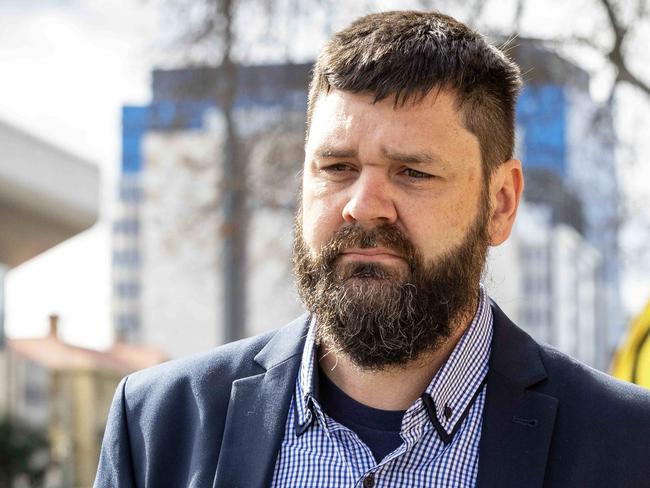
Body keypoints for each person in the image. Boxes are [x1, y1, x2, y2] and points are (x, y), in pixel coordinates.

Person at [94, 10, 650, 488]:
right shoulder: (157, 426)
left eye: (412, 172)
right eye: (337, 168)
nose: (363, 205)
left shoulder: (627, 443)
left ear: (500, 203)